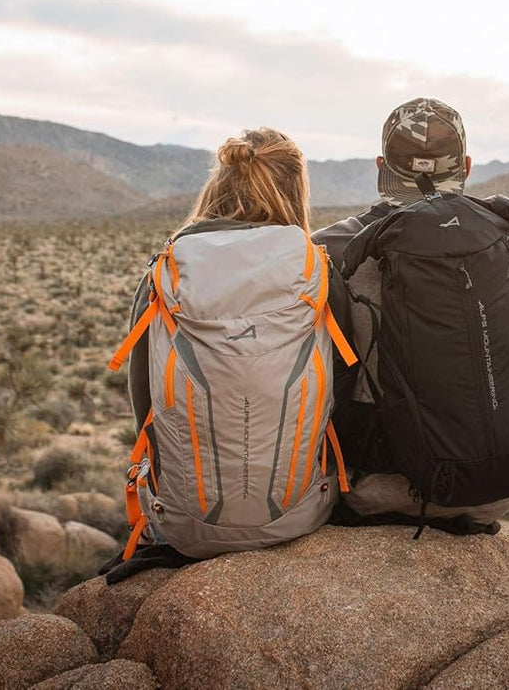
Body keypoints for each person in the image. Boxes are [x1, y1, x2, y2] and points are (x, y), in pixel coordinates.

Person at [102, 128, 356, 581]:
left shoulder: (169, 269)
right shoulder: (314, 268)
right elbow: (342, 388)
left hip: (184, 527)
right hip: (299, 515)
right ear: (295, 188)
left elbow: (144, 400)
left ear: (219, 182)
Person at [315, 99, 509, 532]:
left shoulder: (328, 249)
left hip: (375, 493)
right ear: (467, 166)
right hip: (500, 489)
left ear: (381, 166)